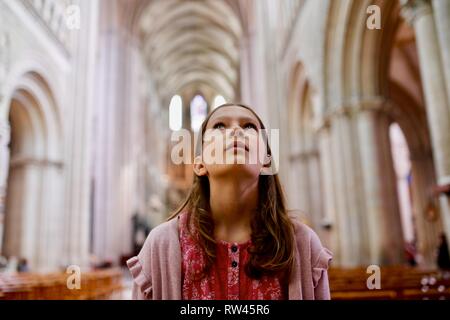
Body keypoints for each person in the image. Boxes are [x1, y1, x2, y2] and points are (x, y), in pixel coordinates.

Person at [127, 103, 332, 300]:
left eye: (249, 126)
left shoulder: (303, 244)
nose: (235, 131)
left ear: (266, 160)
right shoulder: (160, 245)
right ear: (199, 164)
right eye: (219, 126)